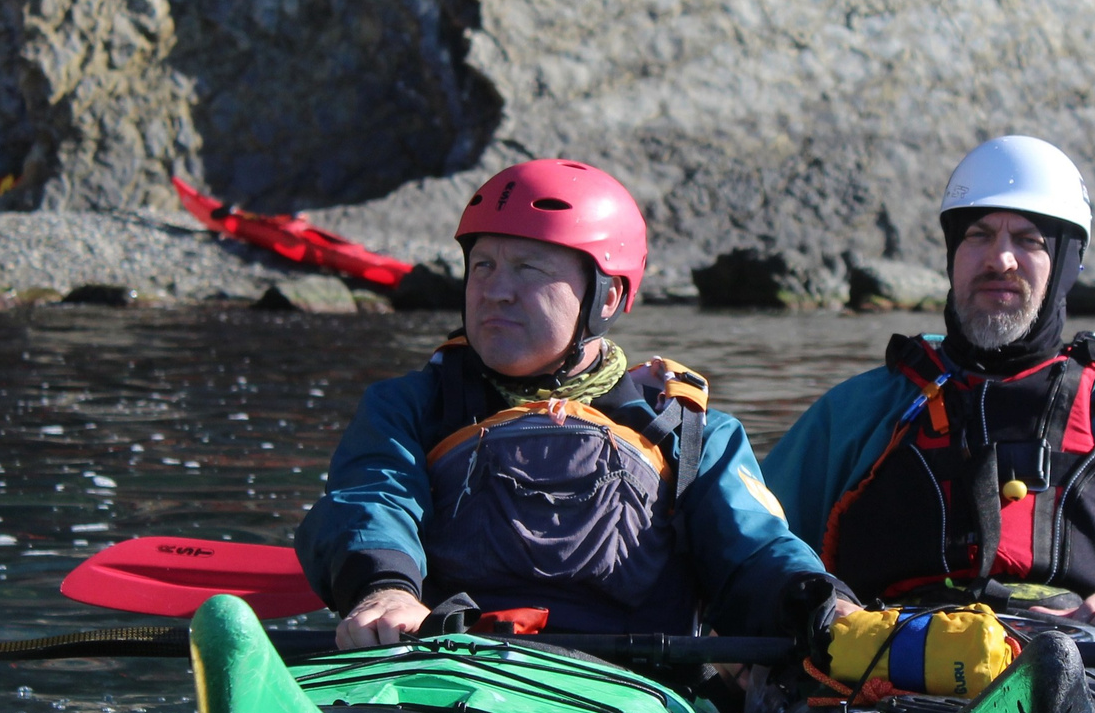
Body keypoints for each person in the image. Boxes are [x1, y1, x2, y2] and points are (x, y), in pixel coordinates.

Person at [296, 159, 851, 651]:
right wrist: (384, 589)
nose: (495, 290)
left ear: (606, 297)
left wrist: (820, 605)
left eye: (528, 269)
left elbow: (755, 549)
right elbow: (372, 498)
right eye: (483, 265)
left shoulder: (687, 432)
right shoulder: (408, 407)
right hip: (442, 668)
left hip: (634, 694)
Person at [762, 136, 1095, 638]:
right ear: (953, 253)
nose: (999, 259)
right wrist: (814, 603)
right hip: (888, 673)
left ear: (1066, 263)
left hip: (1093, 677)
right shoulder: (864, 407)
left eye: (1028, 240)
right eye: (978, 235)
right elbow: (752, 547)